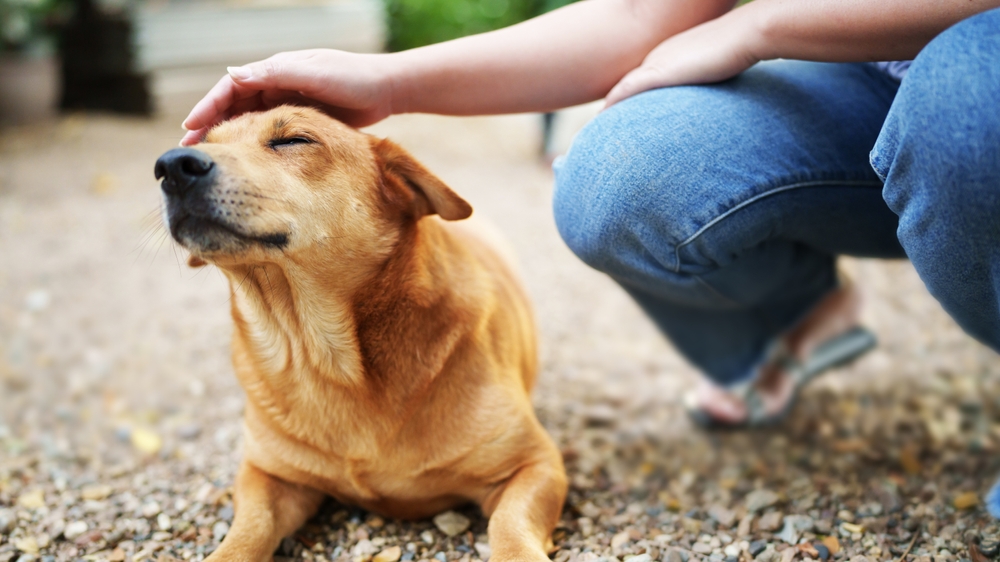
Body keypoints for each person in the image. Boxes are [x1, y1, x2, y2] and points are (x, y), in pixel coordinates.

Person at [180, 0, 1000, 514]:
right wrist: (387, 78)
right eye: (194, 159)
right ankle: (800, 324)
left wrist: (760, 24)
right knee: (614, 171)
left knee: (965, 98)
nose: (190, 169)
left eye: (288, 143)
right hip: (862, 80)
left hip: (973, 65)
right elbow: (640, 16)